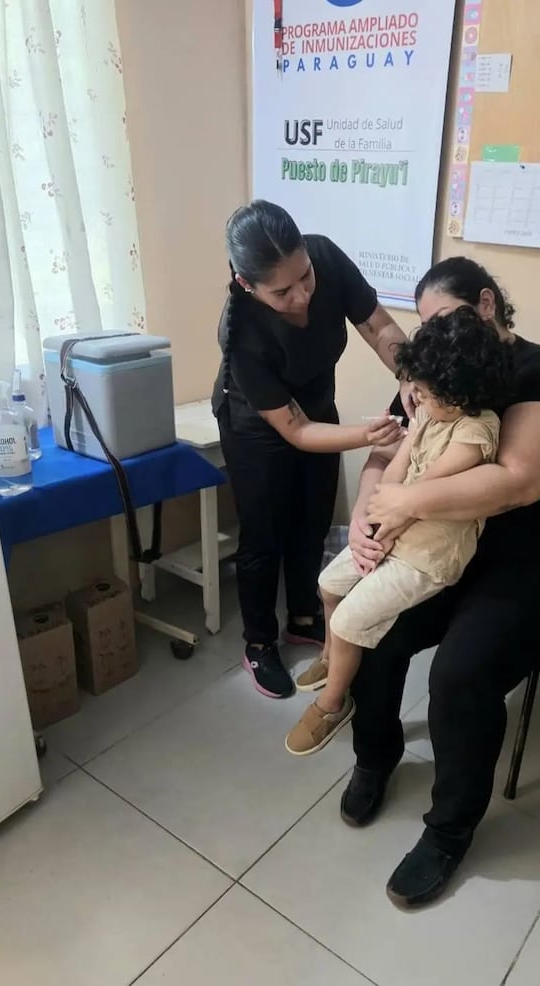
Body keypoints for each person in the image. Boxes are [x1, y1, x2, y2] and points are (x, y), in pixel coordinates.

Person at [336, 257, 540, 910]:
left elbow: (520, 482)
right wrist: (364, 518)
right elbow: (386, 452)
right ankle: (375, 754)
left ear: (486, 305)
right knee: (373, 623)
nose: (429, 339)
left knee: (459, 673)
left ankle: (450, 827)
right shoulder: (440, 364)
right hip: (452, 548)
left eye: (442, 321)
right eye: (424, 327)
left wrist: (405, 505)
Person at [212, 200, 415, 700]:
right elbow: (297, 432)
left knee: (313, 516)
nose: (301, 295)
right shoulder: (242, 334)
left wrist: (411, 374)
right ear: (247, 284)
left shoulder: (325, 258)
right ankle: (259, 642)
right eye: (281, 291)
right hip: (259, 427)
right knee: (264, 534)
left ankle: (304, 615)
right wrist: (369, 436)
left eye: (304, 277)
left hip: (317, 407)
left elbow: (380, 328)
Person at [285, 309, 509, 756]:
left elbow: (425, 495)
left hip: (429, 553)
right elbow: (393, 479)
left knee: (350, 620)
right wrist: (373, 529)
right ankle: (332, 659)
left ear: (459, 393)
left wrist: (383, 531)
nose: (415, 399)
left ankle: (334, 705)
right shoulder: (429, 413)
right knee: (327, 586)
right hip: (395, 527)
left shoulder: (477, 430)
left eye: (424, 392)